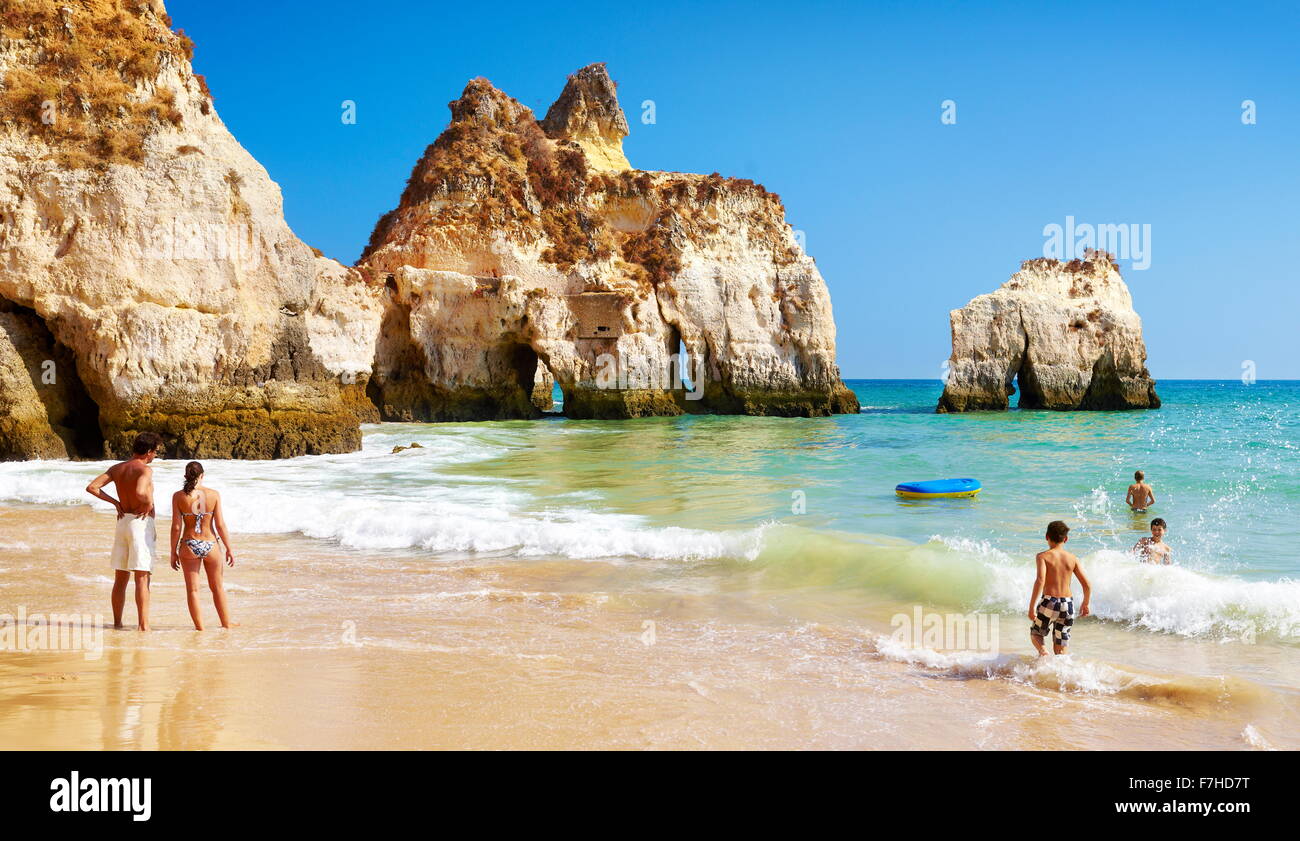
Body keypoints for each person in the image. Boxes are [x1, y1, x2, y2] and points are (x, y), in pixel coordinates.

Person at [85, 432, 163, 631]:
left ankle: (118, 623)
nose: (155, 456)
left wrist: (115, 502)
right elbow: (139, 491)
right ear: (148, 451)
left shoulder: (117, 468)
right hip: (140, 523)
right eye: (155, 452)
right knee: (142, 576)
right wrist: (148, 502)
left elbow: (92, 487)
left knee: (120, 577)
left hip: (123, 522)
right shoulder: (145, 469)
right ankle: (143, 626)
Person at [170, 461, 237, 630]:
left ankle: (200, 628)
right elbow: (220, 525)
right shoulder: (214, 494)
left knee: (193, 590)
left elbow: (176, 527)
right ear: (202, 475)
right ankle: (226, 624)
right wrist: (229, 548)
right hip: (211, 544)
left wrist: (173, 551)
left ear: (186, 476)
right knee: (217, 588)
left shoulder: (178, 496)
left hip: (189, 544)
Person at [1028, 520, 1092, 656]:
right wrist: (1085, 603)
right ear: (1066, 539)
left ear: (1047, 537)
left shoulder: (1042, 556)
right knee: (1061, 643)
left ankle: (1043, 652)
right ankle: (1061, 671)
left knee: (1036, 633)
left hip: (1049, 602)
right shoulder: (1073, 558)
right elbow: (1087, 584)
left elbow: (1040, 581)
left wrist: (1031, 607)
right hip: (1067, 604)